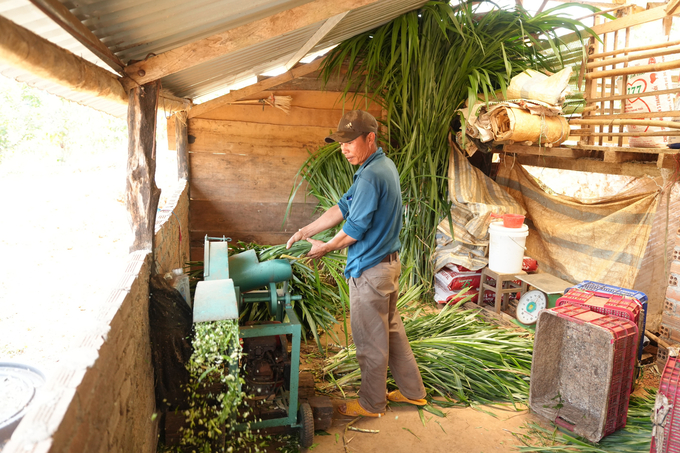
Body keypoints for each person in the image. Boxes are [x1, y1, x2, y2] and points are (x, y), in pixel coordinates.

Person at [286, 110, 426, 417]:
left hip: (370, 271)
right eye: (341, 142)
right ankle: (413, 392)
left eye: (350, 141)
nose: (344, 148)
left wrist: (326, 247)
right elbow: (342, 207)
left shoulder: (371, 175)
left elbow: (355, 228)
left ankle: (371, 404)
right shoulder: (380, 166)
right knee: (391, 332)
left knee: (370, 341)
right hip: (387, 267)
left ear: (370, 138)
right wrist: (306, 231)